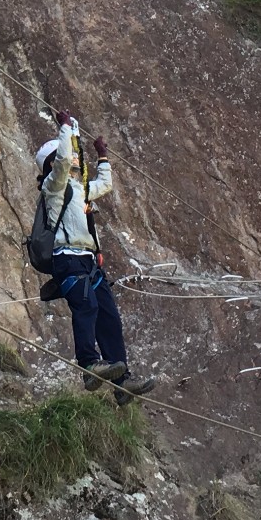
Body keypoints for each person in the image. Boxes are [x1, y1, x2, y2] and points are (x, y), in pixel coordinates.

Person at [34, 113, 156, 402]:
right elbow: (64, 161)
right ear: (52, 163)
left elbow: (105, 184)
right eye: (67, 158)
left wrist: (103, 156)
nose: (74, 161)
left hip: (87, 261)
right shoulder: (53, 187)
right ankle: (89, 365)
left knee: (109, 318)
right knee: (86, 307)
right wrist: (66, 129)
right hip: (68, 258)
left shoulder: (79, 190)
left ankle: (121, 382)